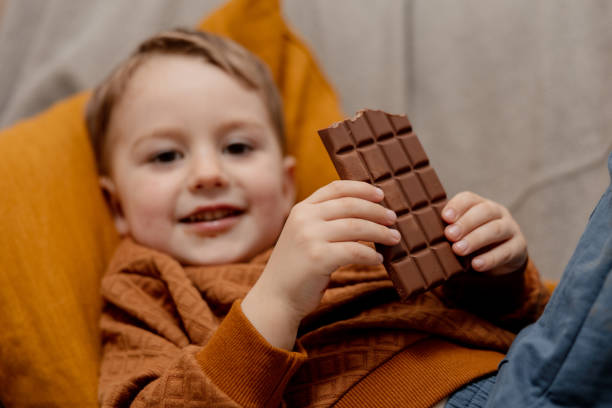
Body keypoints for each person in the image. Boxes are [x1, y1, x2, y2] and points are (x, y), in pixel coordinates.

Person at [87, 28, 549, 408]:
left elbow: (516, 315)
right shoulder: (143, 287)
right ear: (116, 207)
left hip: (519, 367)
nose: (208, 174)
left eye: (238, 147)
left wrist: (495, 268)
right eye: (166, 156)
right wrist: (279, 300)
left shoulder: (348, 221)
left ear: (287, 183)